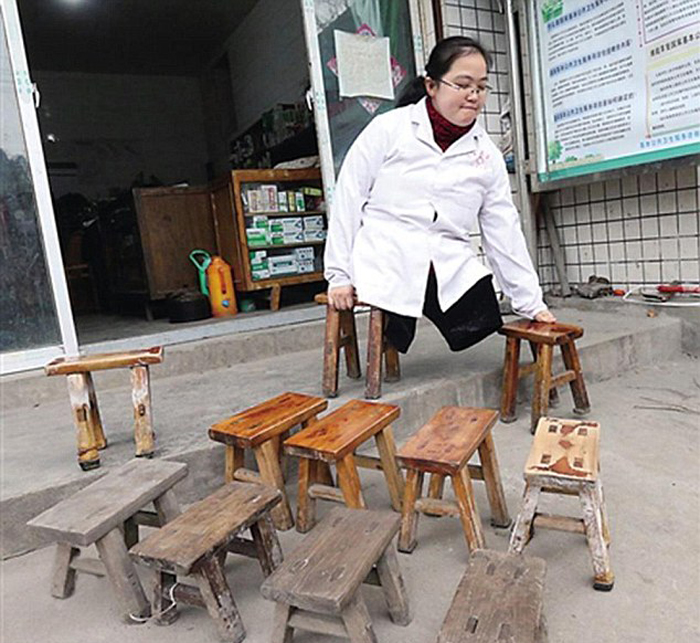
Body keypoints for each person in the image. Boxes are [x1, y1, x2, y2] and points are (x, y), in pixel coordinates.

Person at [324, 36, 555, 355]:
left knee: (482, 313)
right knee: (399, 297)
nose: (473, 95)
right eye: (463, 85)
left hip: (447, 256)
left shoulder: (486, 154)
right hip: (385, 252)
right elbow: (348, 199)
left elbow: (504, 230)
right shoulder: (388, 129)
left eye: (481, 87)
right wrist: (339, 275)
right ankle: (396, 325)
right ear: (431, 86)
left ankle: (406, 317)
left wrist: (531, 303)